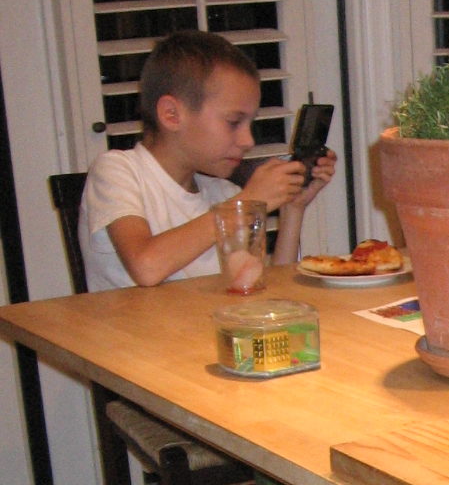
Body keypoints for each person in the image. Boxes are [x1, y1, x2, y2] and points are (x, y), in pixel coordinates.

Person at [79, 30, 337, 291]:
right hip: (130, 331)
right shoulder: (117, 171)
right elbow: (146, 267)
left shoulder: (223, 193)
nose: (248, 140)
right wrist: (245, 204)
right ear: (171, 115)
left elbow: (263, 290)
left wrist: (292, 210)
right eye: (234, 122)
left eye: (251, 123)